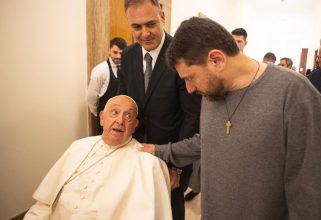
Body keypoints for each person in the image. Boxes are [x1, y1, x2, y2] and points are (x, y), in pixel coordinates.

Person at [140, 17, 321, 219]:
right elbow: (209, 141)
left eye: (190, 77)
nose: (189, 89)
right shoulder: (211, 92)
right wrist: (161, 151)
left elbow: (313, 196)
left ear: (217, 60)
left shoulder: (296, 95)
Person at [24, 95, 172, 219]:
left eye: (128, 116)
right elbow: (45, 203)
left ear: (135, 125)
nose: (120, 121)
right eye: (114, 112)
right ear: (102, 118)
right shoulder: (78, 146)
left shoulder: (147, 163)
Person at [119, 1, 201, 219]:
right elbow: (123, 99)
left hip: (172, 155)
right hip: (136, 151)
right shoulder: (128, 55)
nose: (144, 33)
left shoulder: (182, 55)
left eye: (150, 24)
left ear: (162, 17)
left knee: (170, 210)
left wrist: (177, 167)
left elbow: (192, 117)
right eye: (136, 27)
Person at [87, 37, 127, 134]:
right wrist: (99, 114)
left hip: (122, 119)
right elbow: (91, 96)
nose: (118, 56)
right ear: (109, 50)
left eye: (121, 53)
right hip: (106, 118)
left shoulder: (127, 68)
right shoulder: (100, 70)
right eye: (115, 52)